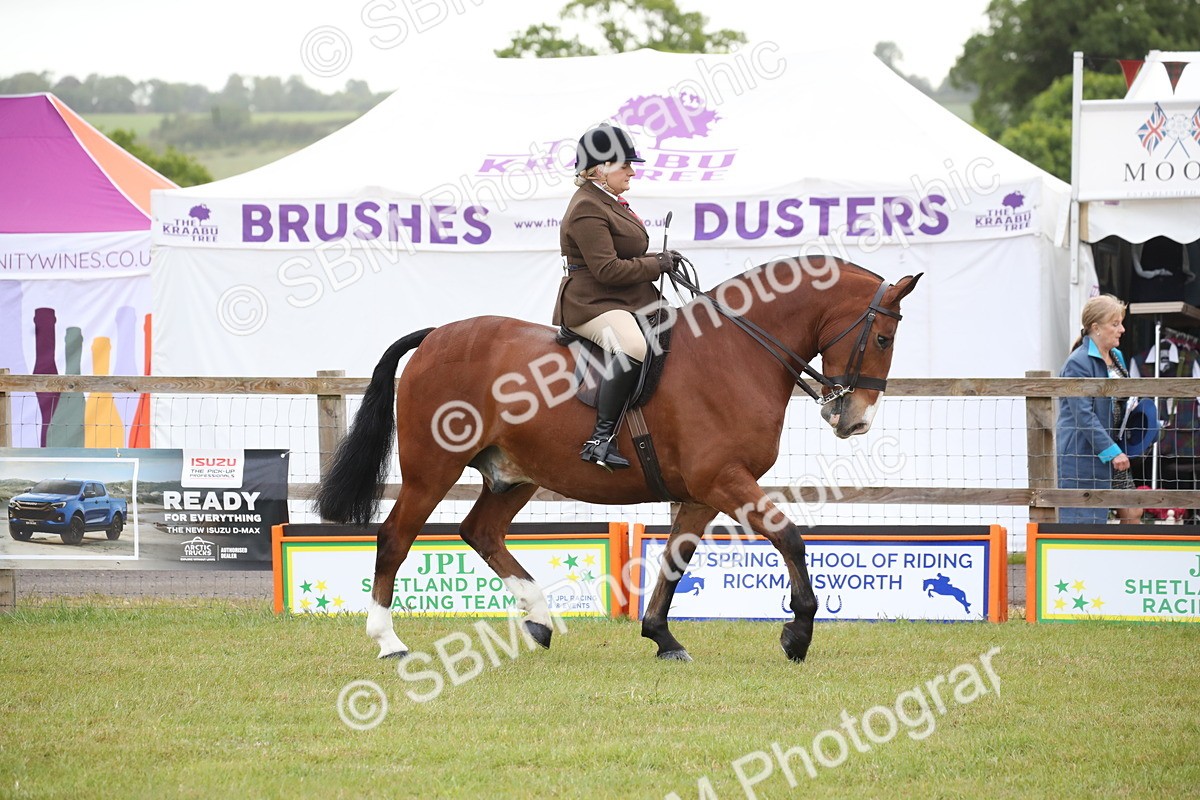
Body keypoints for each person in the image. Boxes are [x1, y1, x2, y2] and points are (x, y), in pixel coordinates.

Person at [552, 123, 680, 470]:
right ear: (600, 169)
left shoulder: (611, 201)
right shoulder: (586, 208)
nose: (632, 171)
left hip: (627, 297)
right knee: (633, 346)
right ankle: (600, 439)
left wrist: (661, 264)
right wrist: (655, 265)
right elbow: (607, 270)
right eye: (625, 165)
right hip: (593, 303)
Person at [1056, 294, 1143, 524]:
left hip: (1113, 450)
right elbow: (1083, 415)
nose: (1122, 329)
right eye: (1115, 324)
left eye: (1121, 323)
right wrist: (1112, 451)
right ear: (1096, 328)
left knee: (1133, 511)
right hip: (1083, 454)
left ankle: (1125, 560)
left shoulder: (1117, 357)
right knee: (1085, 522)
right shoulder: (1078, 362)